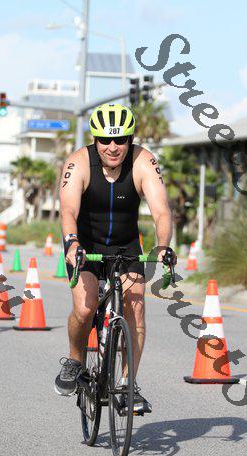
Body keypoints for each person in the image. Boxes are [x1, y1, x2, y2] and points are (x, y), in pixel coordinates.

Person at [54, 102, 177, 414]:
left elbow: (161, 211)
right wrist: (71, 242)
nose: (113, 147)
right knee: (85, 308)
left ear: (130, 139)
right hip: (85, 246)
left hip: (126, 246)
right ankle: (75, 360)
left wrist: (163, 246)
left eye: (120, 139)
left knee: (135, 309)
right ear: (95, 140)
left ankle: (127, 385)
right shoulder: (79, 162)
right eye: (105, 140)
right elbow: (68, 210)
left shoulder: (143, 161)